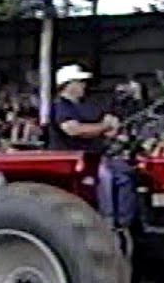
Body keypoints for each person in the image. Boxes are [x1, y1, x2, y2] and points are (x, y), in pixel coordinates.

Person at [48, 64, 137, 230]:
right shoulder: (61, 106)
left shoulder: (87, 106)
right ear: (68, 84)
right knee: (104, 177)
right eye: (80, 82)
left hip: (95, 157)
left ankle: (124, 223)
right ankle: (106, 221)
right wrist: (105, 126)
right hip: (75, 161)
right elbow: (74, 130)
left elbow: (104, 127)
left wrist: (112, 126)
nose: (84, 85)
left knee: (124, 174)